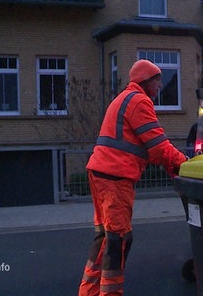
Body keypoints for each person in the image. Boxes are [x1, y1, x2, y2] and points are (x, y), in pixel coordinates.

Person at [78, 59, 187, 296]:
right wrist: (185, 165)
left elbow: (148, 149)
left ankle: (89, 292)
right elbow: (158, 147)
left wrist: (171, 168)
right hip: (115, 177)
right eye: (157, 80)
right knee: (119, 239)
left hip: (101, 174)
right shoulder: (139, 101)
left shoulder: (123, 99)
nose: (160, 85)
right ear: (145, 81)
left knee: (105, 237)